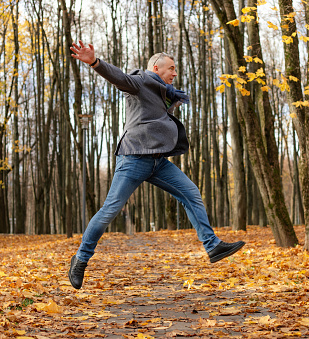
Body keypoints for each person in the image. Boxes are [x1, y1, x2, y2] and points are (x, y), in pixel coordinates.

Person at [68, 40, 245, 289]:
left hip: (158, 162)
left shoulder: (164, 93)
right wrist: (95, 63)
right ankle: (81, 259)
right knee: (109, 211)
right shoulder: (140, 81)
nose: (174, 73)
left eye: (175, 69)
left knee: (191, 193)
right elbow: (118, 77)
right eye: (170, 68)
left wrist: (171, 105)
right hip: (133, 159)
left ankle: (212, 246)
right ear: (155, 67)